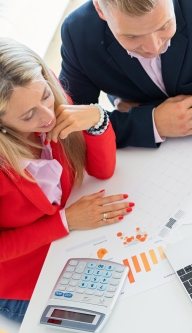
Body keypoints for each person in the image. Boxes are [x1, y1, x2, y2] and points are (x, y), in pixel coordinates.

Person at [0, 38, 134, 323]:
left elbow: (103, 171)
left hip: (70, 249)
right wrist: (65, 221)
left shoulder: (42, 100)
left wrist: (98, 121)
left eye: (46, 95)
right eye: (28, 116)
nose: (49, 116)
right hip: (18, 282)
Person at [59, 0, 192, 149]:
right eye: (131, 36)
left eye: (164, 26)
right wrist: (153, 122)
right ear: (100, 10)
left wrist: (139, 114)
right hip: (143, 145)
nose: (153, 47)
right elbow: (71, 129)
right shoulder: (78, 33)